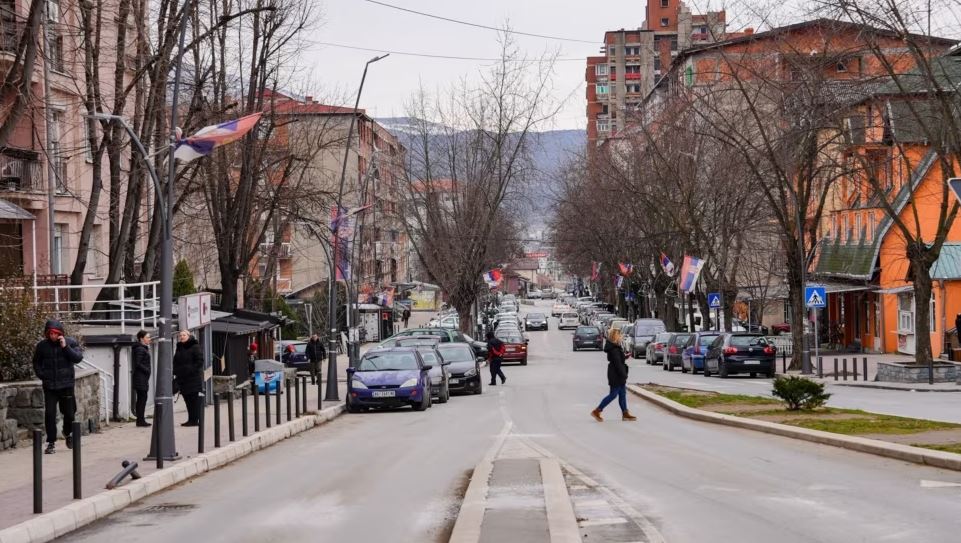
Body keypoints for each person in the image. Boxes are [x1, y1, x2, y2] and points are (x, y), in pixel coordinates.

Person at [33, 319, 84, 454]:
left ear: (60, 333)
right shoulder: (42, 346)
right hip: (50, 386)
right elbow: (36, 363)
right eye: (50, 334)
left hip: (66, 385)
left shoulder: (70, 342)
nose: (53, 336)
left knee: (69, 413)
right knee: (50, 414)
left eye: (55, 333)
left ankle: (68, 434)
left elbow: (78, 358)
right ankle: (51, 442)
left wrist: (65, 347)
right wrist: (42, 375)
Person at [591, 329, 637, 422]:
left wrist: (625, 357)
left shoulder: (615, 347)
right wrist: (624, 375)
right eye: (620, 335)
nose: (621, 337)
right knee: (613, 395)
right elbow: (618, 364)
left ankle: (625, 413)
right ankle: (597, 410)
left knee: (622, 394)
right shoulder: (614, 349)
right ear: (615, 336)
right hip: (616, 375)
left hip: (616, 373)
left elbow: (618, 360)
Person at [173, 329, 204, 427]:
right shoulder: (179, 347)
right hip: (182, 378)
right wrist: (176, 370)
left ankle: (195, 420)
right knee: (187, 400)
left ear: (189, 336)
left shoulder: (195, 346)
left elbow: (199, 361)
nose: (182, 337)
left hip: (193, 378)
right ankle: (190, 420)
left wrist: (190, 369)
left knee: (194, 400)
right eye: (180, 335)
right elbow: (175, 361)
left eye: (184, 335)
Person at [132, 330, 152, 427]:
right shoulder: (140, 349)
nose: (149, 339)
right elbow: (138, 363)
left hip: (142, 377)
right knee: (142, 399)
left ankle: (140, 419)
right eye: (148, 337)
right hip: (140, 378)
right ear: (141, 339)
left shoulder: (143, 348)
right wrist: (147, 370)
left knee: (142, 399)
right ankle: (140, 420)